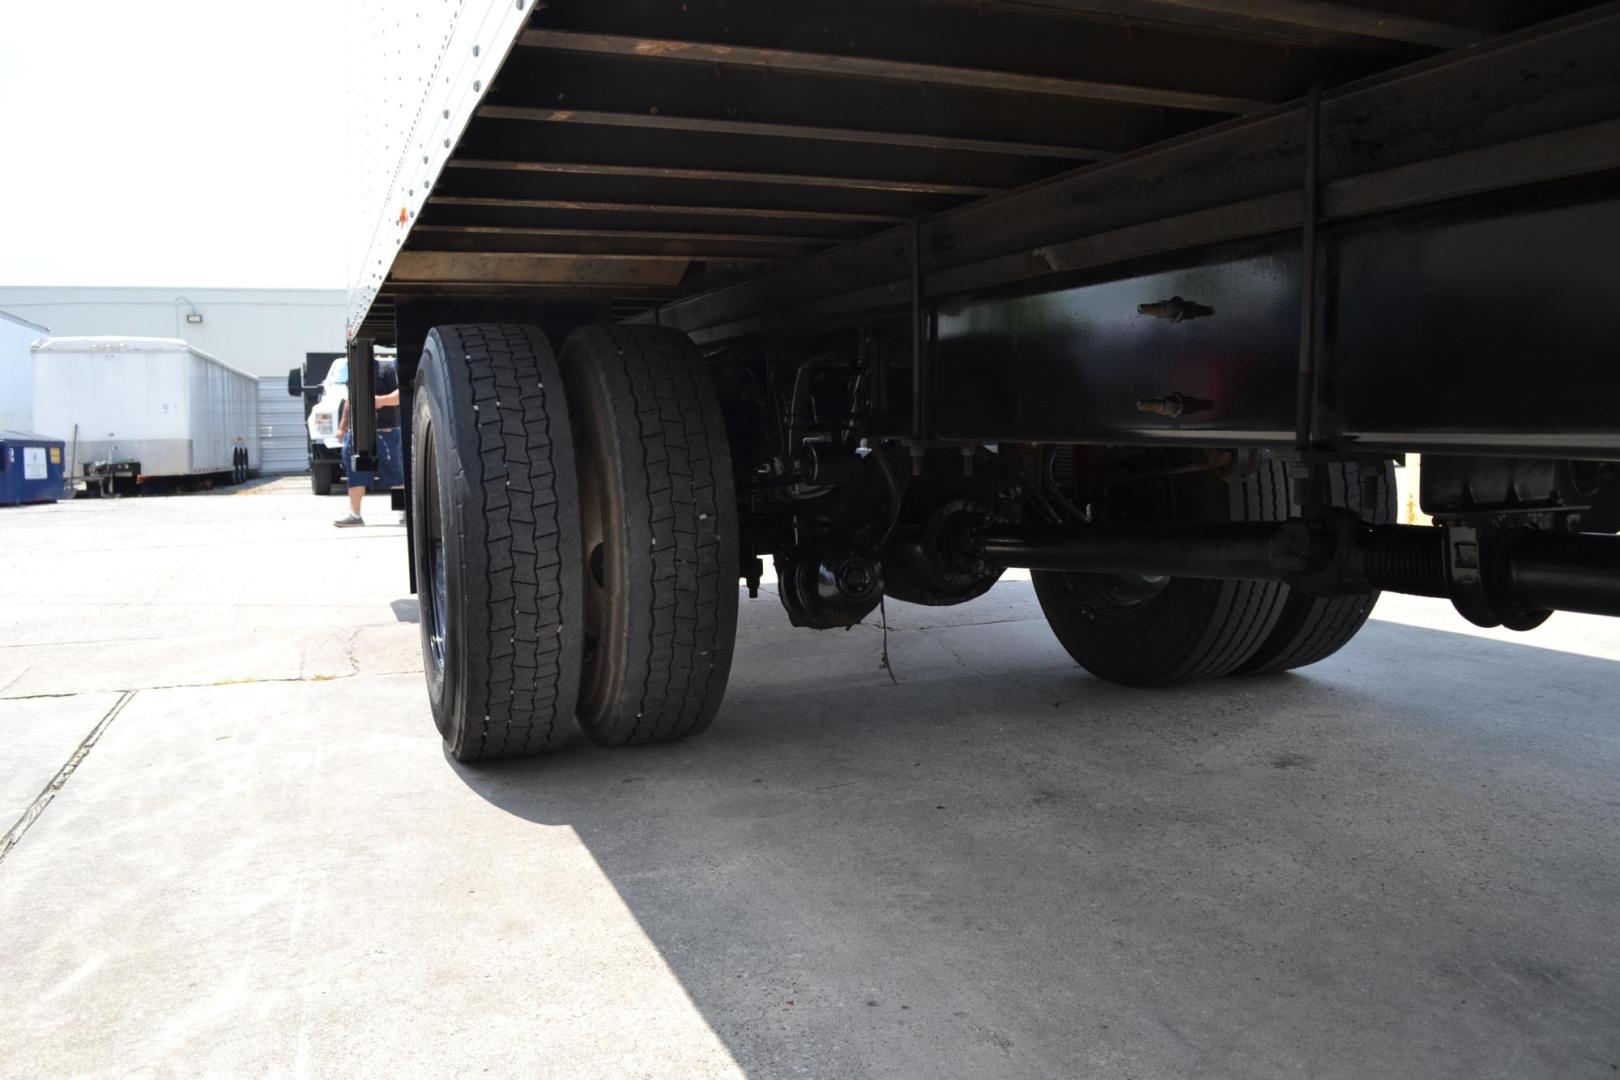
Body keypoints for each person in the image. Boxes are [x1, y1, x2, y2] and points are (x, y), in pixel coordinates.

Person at [332, 358, 403, 527]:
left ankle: (405, 512)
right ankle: (355, 515)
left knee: (396, 472)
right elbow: (350, 401)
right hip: (358, 432)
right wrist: (342, 428)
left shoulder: (386, 369)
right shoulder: (355, 371)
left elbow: (399, 396)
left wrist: (381, 400)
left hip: (385, 431)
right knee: (355, 470)